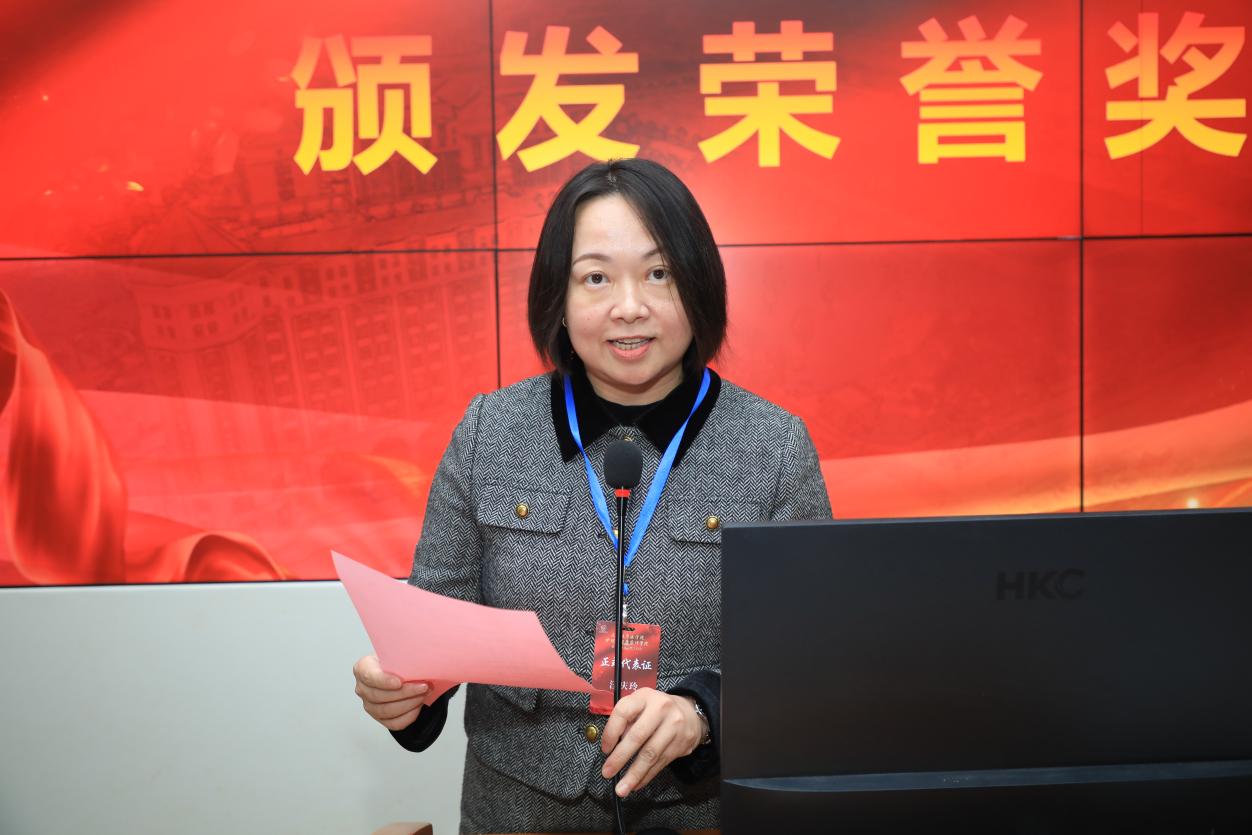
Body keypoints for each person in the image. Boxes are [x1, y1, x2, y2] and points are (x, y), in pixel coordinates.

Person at [352, 158, 832, 833]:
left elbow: (809, 661)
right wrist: (403, 691)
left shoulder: (775, 446)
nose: (629, 306)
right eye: (596, 277)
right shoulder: (491, 431)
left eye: (659, 273)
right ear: (559, 296)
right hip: (517, 815)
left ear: (700, 285)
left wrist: (703, 711)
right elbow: (434, 630)